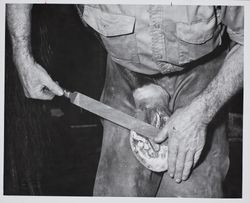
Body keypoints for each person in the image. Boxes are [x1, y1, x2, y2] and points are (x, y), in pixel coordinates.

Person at [6, 4, 243, 197]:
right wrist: (23, 56)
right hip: (126, 71)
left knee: (188, 189)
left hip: (203, 75)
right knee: (118, 189)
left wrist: (203, 112)